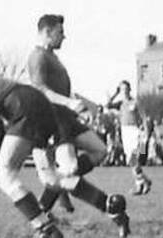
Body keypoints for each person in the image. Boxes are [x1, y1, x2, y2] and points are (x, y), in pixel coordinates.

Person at [0, 65, 130, 238]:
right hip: (37, 105)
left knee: (4, 176)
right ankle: (109, 204)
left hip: (23, 107)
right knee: (53, 179)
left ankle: (45, 228)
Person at [29, 14, 111, 215]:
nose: (64, 37)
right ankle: (106, 205)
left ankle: (55, 190)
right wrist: (70, 103)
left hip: (67, 119)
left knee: (100, 150)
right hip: (52, 121)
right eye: (60, 32)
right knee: (69, 171)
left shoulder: (52, 57)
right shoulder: (38, 57)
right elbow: (41, 90)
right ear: (47, 32)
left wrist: (81, 107)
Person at [106, 80, 152, 194]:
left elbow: (144, 117)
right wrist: (115, 94)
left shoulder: (135, 102)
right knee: (130, 161)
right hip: (125, 133)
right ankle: (144, 181)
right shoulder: (121, 103)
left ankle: (140, 185)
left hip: (135, 132)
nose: (124, 92)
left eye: (126, 89)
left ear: (129, 90)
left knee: (134, 158)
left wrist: (146, 131)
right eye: (122, 90)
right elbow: (107, 105)